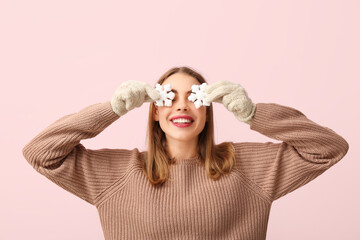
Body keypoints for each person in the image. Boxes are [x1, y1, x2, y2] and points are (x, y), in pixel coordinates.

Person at [22, 66, 349, 240]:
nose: (182, 104)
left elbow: (328, 148)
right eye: (170, 97)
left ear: (208, 110)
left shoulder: (247, 168)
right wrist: (111, 109)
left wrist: (254, 114)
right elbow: (41, 152)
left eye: (194, 96)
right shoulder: (119, 174)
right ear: (153, 111)